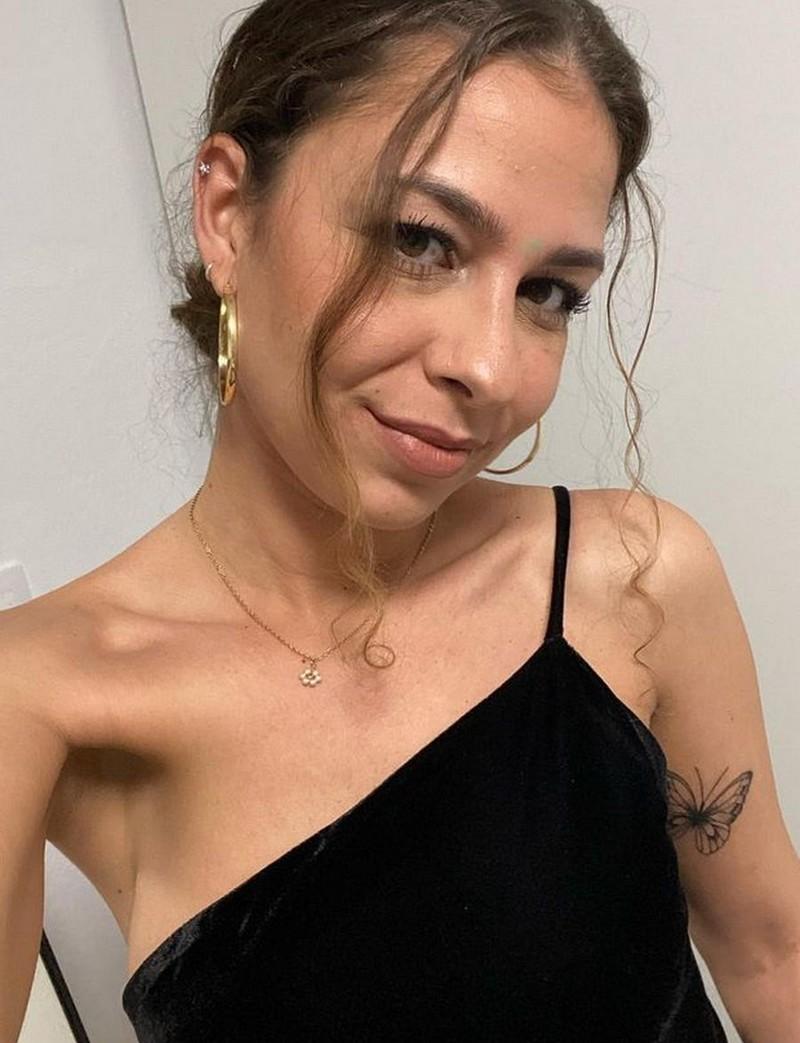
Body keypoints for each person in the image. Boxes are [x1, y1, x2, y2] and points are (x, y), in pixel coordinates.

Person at [3, 2, 799, 1041]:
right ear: (229, 213)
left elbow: (772, 957)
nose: (491, 366)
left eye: (549, 293)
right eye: (419, 240)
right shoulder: (42, 697)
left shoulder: (633, 574)